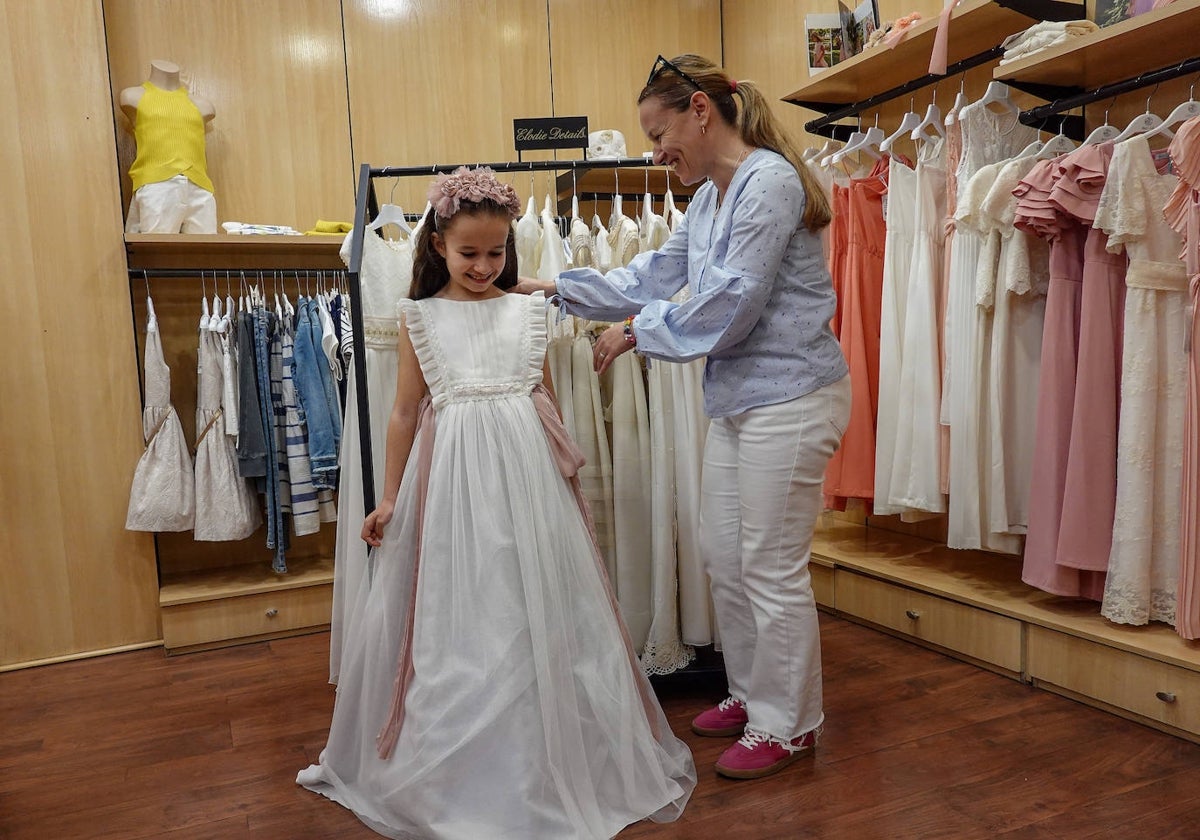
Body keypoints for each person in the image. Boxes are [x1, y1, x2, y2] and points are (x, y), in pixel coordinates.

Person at [297, 166, 695, 838]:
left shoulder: (528, 311)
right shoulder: (419, 317)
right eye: (468, 253)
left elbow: (545, 402)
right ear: (438, 249)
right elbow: (401, 415)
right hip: (452, 486)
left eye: (497, 252)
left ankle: (545, 757)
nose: (484, 266)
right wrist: (390, 498)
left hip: (530, 488)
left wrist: (565, 482)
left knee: (534, 608)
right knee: (467, 615)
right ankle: (462, 766)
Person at [516, 53, 851, 780]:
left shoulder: (769, 181)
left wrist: (637, 331)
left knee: (768, 564)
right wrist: (558, 288)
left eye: (658, 132)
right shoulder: (706, 199)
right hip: (739, 398)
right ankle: (752, 693)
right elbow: (654, 274)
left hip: (791, 397)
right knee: (723, 555)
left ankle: (789, 725)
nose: (654, 152)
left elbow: (731, 301)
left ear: (702, 110)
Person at [119, 60, 217, 234]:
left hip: (200, 187)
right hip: (157, 184)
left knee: (206, 256)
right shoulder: (134, 96)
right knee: (156, 254)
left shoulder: (200, 104)